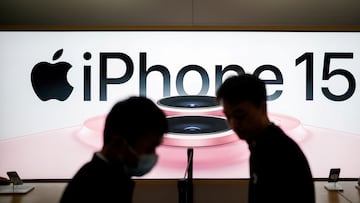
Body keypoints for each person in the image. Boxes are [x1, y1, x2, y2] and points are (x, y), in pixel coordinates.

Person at [216, 74, 315, 203]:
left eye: (240, 115)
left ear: (262, 108)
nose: (234, 124)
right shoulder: (259, 145)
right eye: (228, 117)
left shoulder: (279, 152)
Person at [60, 96, 168, 203]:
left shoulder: (105, 177)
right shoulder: (100, 184)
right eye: (149, 148)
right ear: (119, 142)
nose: (153, 155)